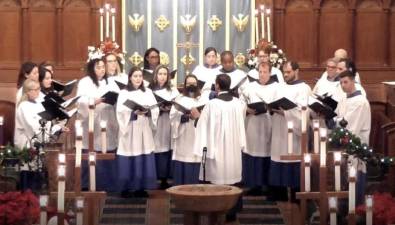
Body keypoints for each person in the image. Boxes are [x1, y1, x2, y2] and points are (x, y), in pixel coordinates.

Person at [194, 73, 246, 222]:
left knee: (216, 177)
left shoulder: (212, 104)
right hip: (233, 149)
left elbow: (203, 126)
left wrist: (197, 117)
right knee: (232, 177)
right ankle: (231, 212)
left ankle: (214, 210)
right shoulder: (238, 103)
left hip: (216, 149)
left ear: (217, 85)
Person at [14, 79, 68, 190]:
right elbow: (35, 128)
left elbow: (46, 122)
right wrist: (56, 128)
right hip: (28, 146)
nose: (38, 92)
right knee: (29, 180)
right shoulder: (23, 106)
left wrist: (58, 127)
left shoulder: (37, 104)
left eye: (39, 89)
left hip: (39, 147)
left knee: (39, 180)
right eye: (36, 89)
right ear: (28, 91)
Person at [269, 61, 311, 201]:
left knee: (293, 158)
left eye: (288, 72)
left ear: (296, 71)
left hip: (293, 133)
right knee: (278, 156)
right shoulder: (279, 87)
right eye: (284, 72)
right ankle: (278, 194)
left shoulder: (304, 88)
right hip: (278, 129)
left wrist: (286, 113)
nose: (285, 75)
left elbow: (303, 111)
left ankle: (295, 195)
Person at [116, 66, 159, 198]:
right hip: (129, 128)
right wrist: (132, 112)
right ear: (130, 78)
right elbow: (119, 110)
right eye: (135, 76)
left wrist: (149, 111)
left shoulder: (148, 92)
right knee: (128, 156)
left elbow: (155, 108)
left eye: (140, 76)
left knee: (143, 154)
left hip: (143, 127)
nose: (138, 79)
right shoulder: (124, 93)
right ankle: (126, 188)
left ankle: (141, 187)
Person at [76, 57, 118, 192]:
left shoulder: (111, 81)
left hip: (108, 119)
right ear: (92, 69)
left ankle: (109, 184)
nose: (101, 70)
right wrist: (94, 101)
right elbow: (80, 100)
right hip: (92, 122)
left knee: (108, 149)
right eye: (98, 67)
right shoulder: (85, 82)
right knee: (90, 151)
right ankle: (86, 184)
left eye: (102, 67)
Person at [240, 62, 279, 195]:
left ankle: (266, 185)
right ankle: (253, 185)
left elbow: (279, 105)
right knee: (252, 154)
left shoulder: (276, 88)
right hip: (253, 124)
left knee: (266, 154)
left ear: (270, 73)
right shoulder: (250, 87)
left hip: (268, 124)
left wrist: (271, 108)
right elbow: (241, 103)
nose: (262, 75)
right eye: (260, 72)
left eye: (265, 72)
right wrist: (247, 109)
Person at [335, 70, 371, 206]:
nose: (343, 85)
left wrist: (335, 122)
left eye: (346, 82)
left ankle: (355, 210)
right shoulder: (344, 98)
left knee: (355, 178)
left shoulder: (360, 102)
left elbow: (351, 126)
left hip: (356, 146)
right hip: (344, 145)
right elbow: (338, 116)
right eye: (341, 83)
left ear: (353, 81)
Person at [170, 75, 205, 185]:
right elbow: (172, 116)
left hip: (197, 136)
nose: (191, 86)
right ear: (185, 85)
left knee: (195, 160)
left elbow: (209, 117)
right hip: (183, 136)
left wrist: (199, 116)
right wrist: (185, 117)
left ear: (197, 85)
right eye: (189, 83)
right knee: (182, 160)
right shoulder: (179, 99)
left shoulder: (203, 99)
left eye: (194, 83)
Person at [149, 65, 179, 189]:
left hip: (167, 123)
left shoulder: (173, 91)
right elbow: (145, 105)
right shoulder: (149, 90)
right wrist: (157, 109)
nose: (162, 77)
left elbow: (178, 106)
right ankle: (153, 176)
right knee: (155, 147)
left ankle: (164, 178)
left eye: (165, 74)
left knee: (166, 148)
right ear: (155, 75)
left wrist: (170, 108)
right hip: (155, 123)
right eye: (160, 74)